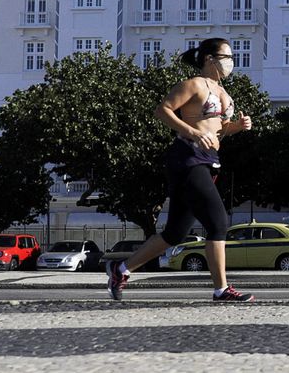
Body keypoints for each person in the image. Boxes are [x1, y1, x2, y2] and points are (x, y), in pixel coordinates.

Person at [107, 38, 254, 302]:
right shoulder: (193, 85)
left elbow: (218, 127)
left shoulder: (223, 92)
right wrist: (192, 132)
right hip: (187, 157)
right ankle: (221, 290)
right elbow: (162, 110)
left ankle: (120, 270)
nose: (231, 62)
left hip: (208, 159)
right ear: (209, 58)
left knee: (175, 233)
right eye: (226, 56)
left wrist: (238, 127)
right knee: (218, 222)